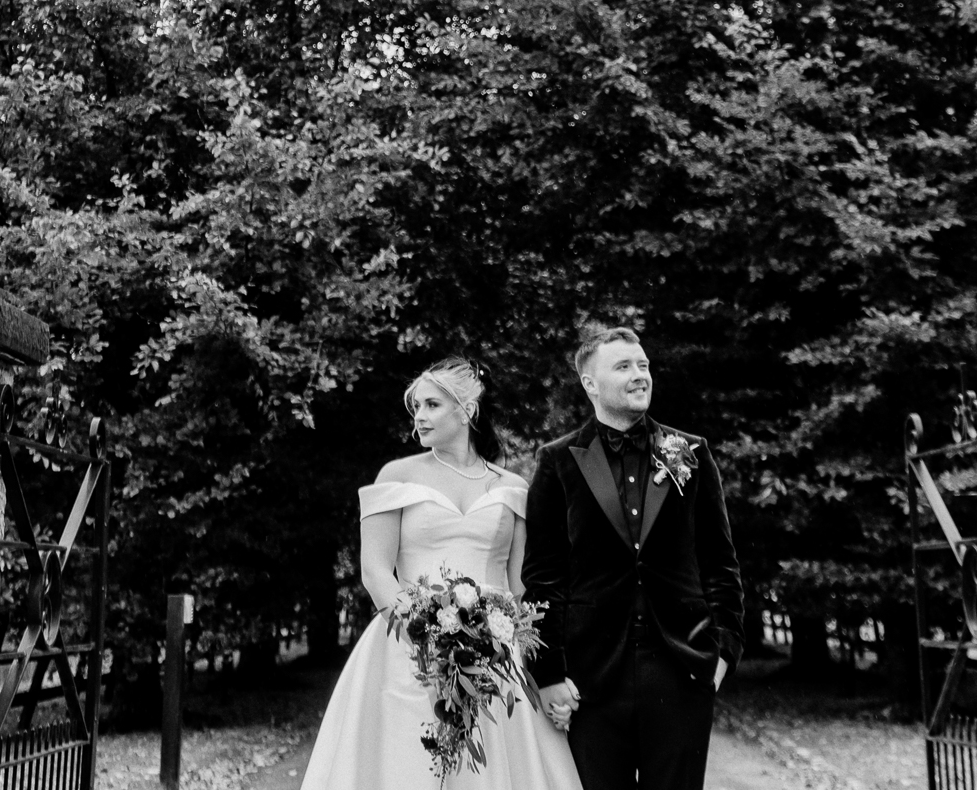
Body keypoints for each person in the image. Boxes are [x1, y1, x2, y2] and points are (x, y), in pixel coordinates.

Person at [299, 358, 584, 790]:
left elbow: (521, 582)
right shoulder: (396, 476)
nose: (420, 417)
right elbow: (375, 570)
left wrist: (526, 651)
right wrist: (427, 633)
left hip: (497, 651)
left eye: (432, 405)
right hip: (406, 645)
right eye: (416, 407)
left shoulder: (512, 487)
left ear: (466, 410)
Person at [522, 326, 744, 790]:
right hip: (591, 679)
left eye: (643, 365)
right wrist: (549, 674)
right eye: (623, 366)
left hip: (681, 669)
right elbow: (543, 577)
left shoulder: (691, 453)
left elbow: (720, 562)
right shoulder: (557, 461)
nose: (640, 375)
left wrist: (724, 651)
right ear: (590, 383)